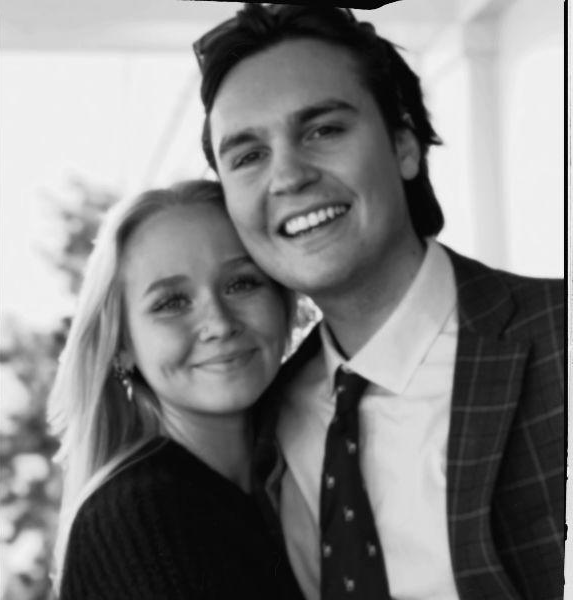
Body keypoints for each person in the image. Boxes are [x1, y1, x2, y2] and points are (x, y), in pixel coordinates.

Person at [193, 5, 565, 600]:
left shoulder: (559, 338)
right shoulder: (260, 423)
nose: (288, 177)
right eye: (248, 156)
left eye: (323, 130)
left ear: (404, 146)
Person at [47, 180, 304, 599]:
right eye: (171, 303)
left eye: (241, 283)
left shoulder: (300, 475)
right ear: (122, 345)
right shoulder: (139, 518)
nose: (219, 324)